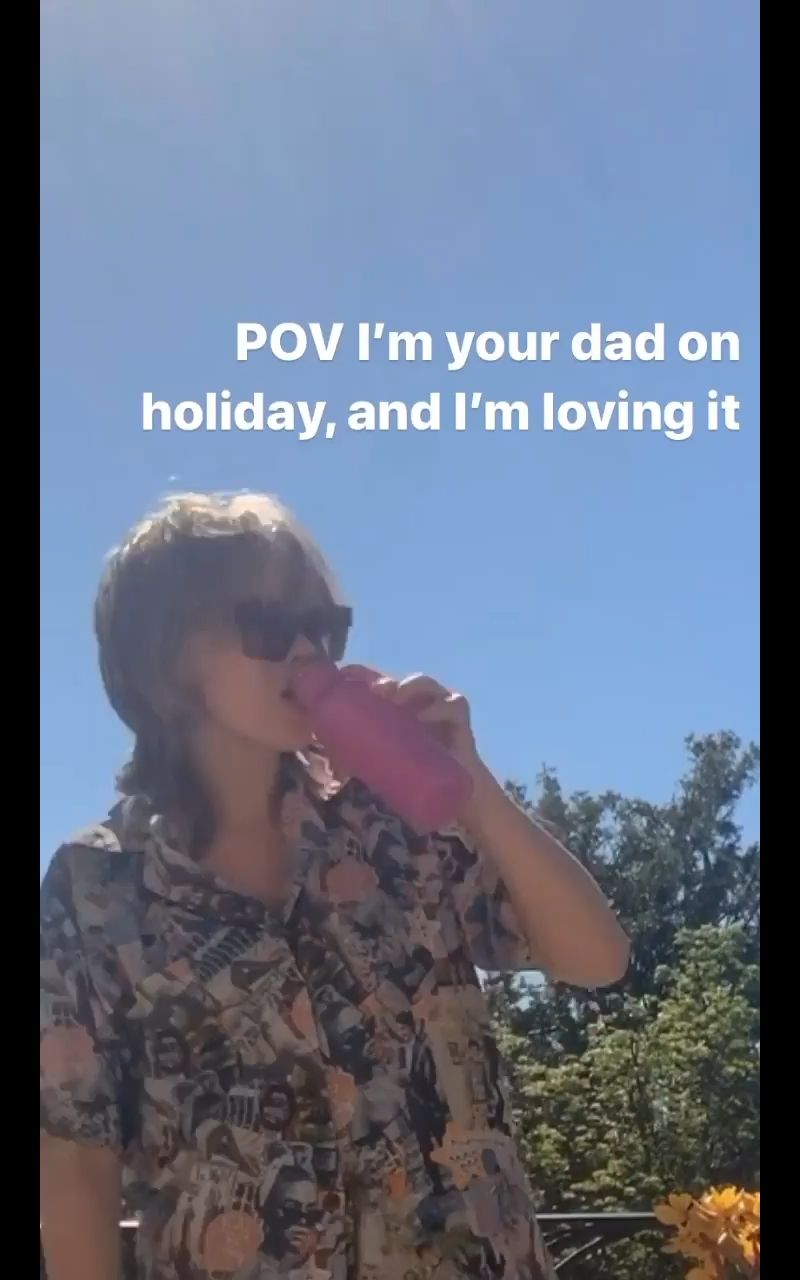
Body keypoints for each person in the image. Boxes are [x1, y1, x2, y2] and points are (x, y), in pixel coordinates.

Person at [40, 492, 630, 1280]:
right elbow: (77, 1158)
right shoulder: (96, 887)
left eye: (325, 627)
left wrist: (476, 787)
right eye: (270, 626)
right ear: (166, 660)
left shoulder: (396, 822)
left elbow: (598, 959)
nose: (307, 651)